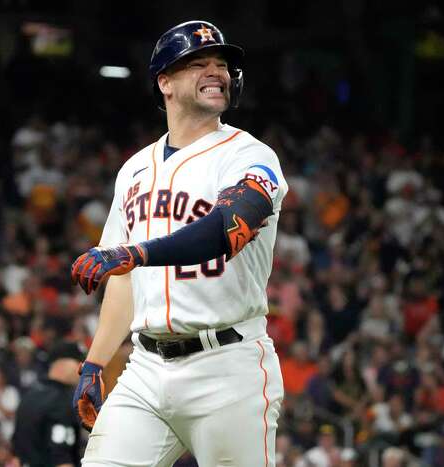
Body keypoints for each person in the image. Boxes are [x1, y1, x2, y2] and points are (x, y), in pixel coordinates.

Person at [70, 20, 287, 466]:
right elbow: (123, 280)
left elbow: (228, 229)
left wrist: (137, 253)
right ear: (164, 82)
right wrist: (96, 361)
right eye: (198, 63)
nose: (216, 71)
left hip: (228, 368)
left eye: (222, 64)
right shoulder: (133, 169)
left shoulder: (251, 156)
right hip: (146, 369)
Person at [12, 340, 85, 467]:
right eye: (78, 363)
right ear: (62, 363)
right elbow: (61, 457)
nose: (82, 369)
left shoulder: (29, 396)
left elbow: (17, 454)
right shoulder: (62, 400)